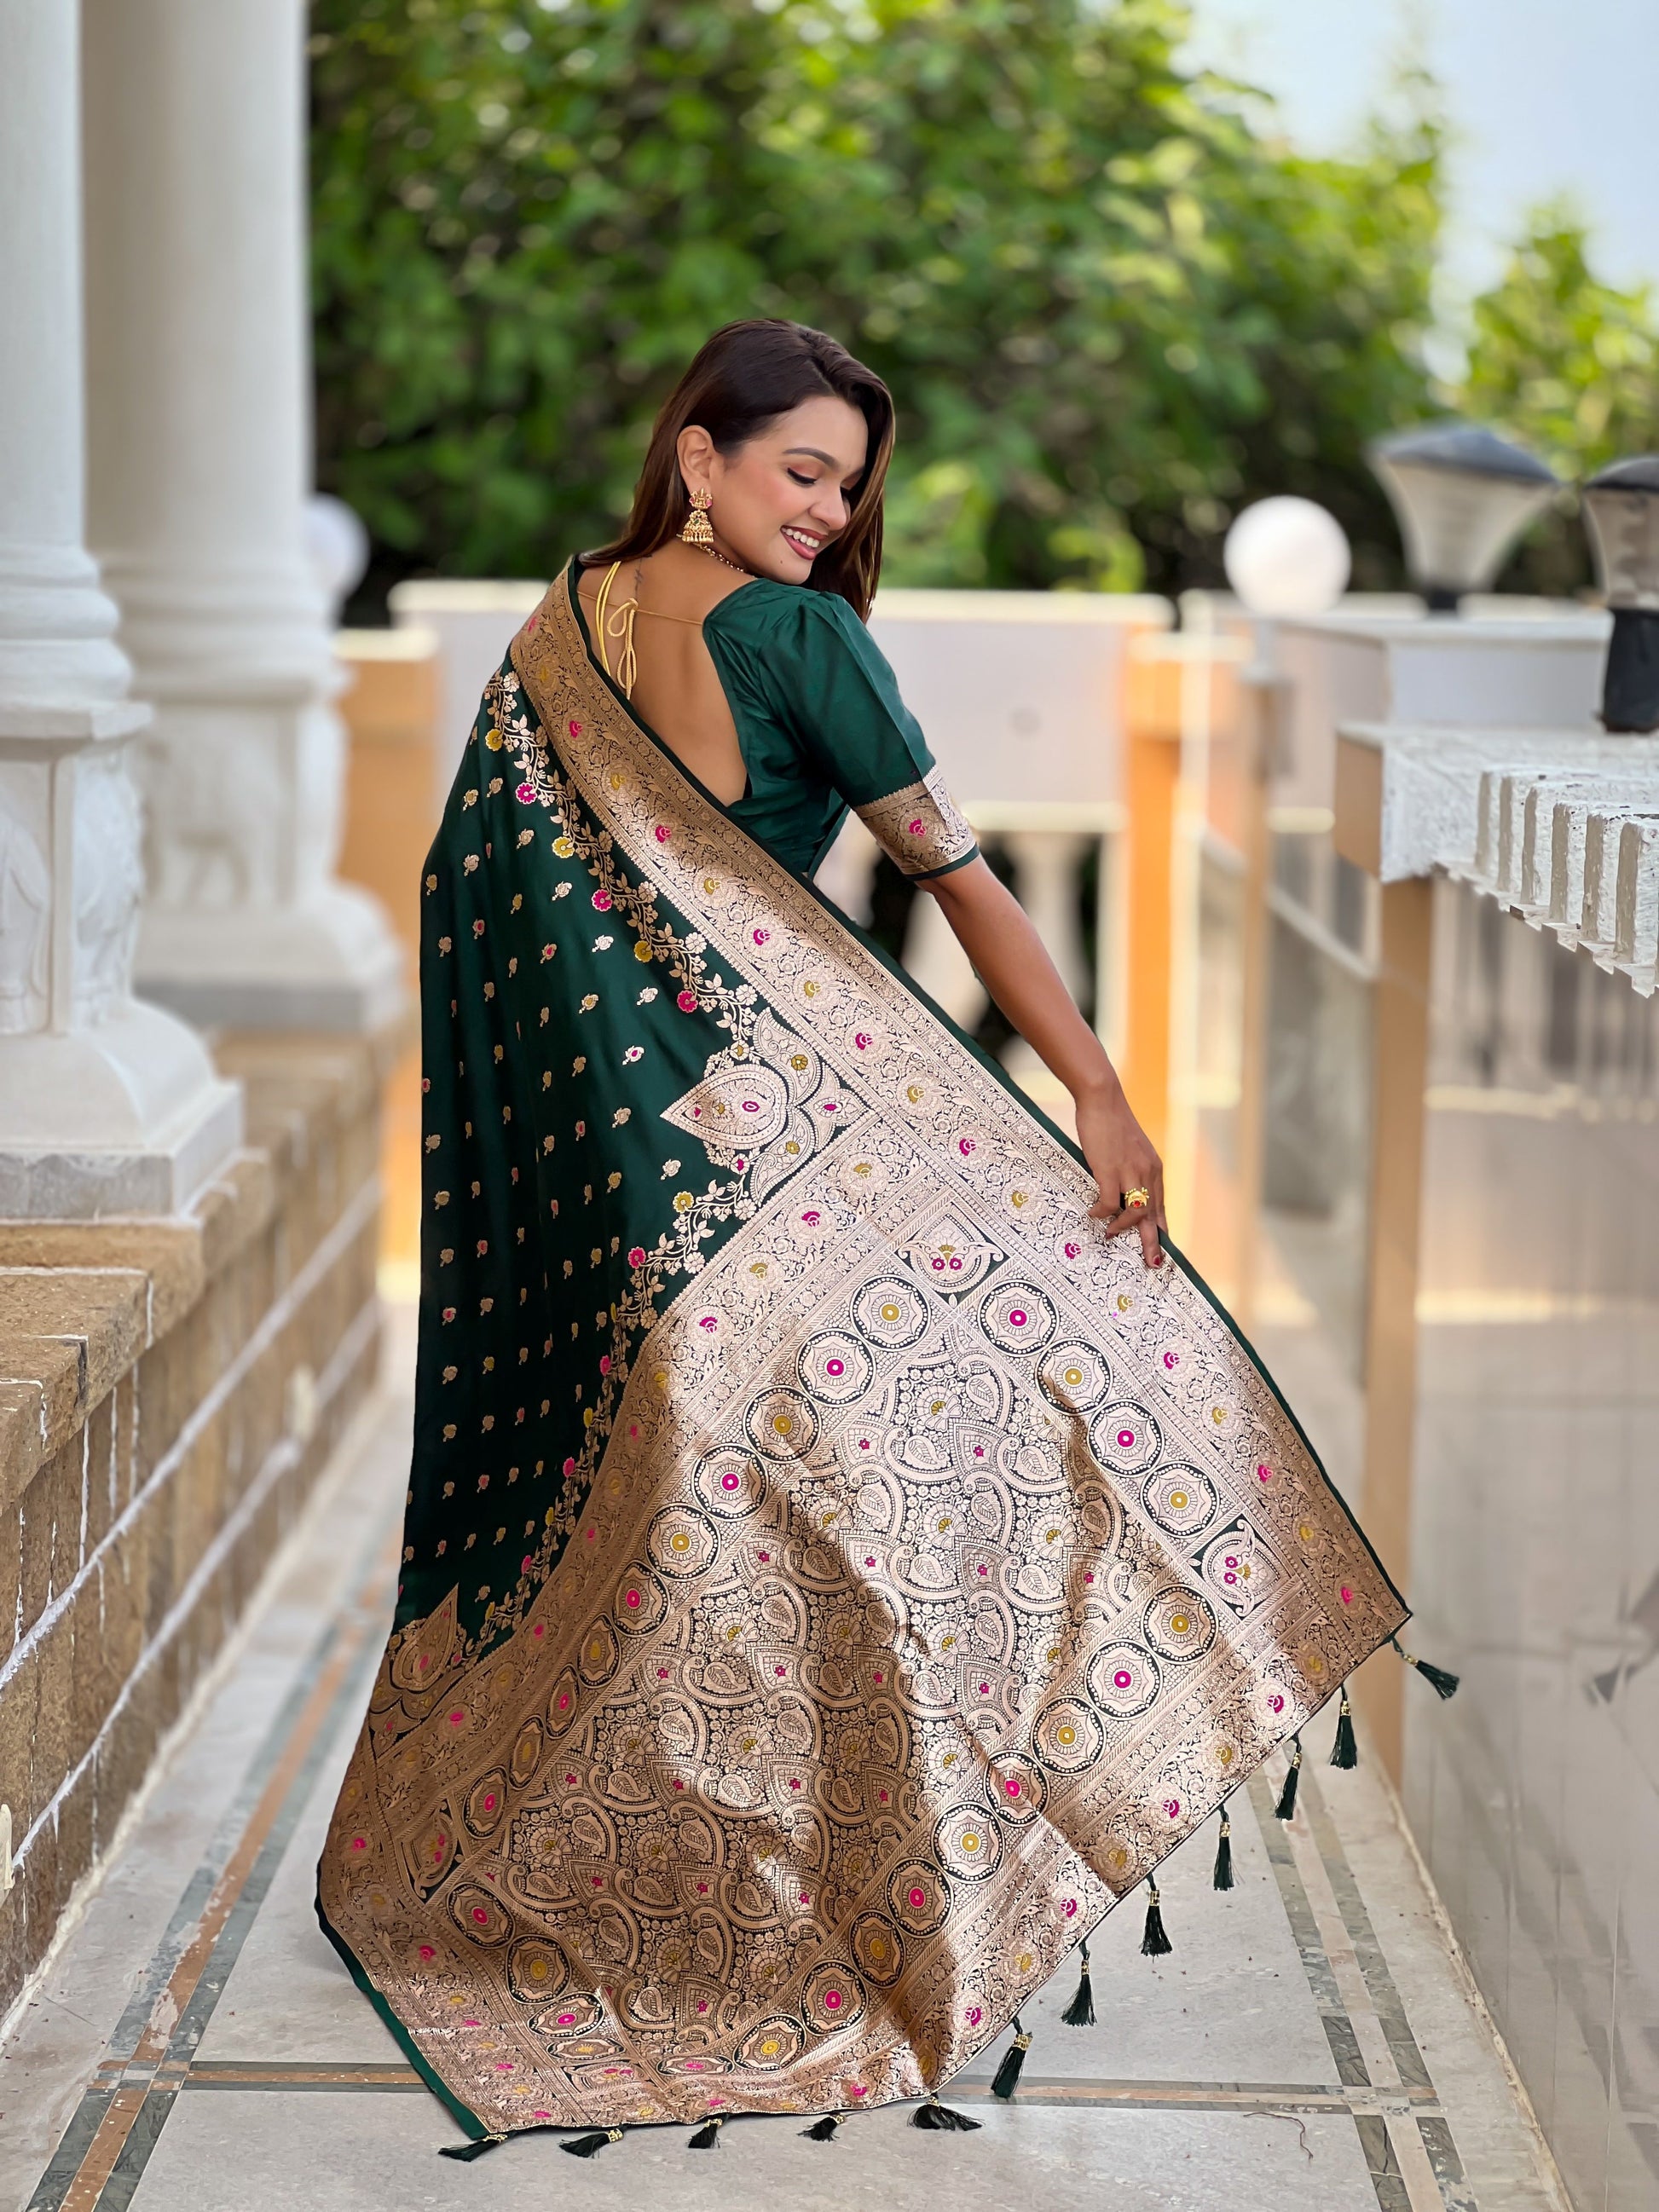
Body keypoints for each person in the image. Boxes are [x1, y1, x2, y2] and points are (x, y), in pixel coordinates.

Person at [317, 319, 1405, 2156]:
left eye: (846, 483)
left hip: (603, 1162)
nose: (828, 512)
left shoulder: (557, 624)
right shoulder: (796, 639)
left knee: (702, 1495)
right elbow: (959, 881)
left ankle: (690, 1880)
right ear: (700, 456)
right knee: (921, 1444)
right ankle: (830, 1887)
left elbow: (469, 896)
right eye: (801, 470)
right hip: (760, 1143)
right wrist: (1098, 1094)